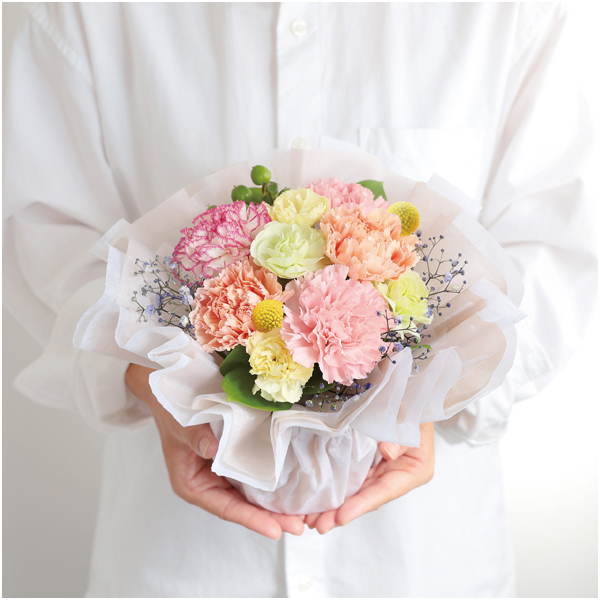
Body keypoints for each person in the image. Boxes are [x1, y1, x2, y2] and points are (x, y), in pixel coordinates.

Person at [3, 3, 595, 597]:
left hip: (421, 560)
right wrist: (147, 381)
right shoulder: (83, 11)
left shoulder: (521, 12)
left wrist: (440, 396)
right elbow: (44, 231)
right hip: (182, 558)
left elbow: (560, 242)